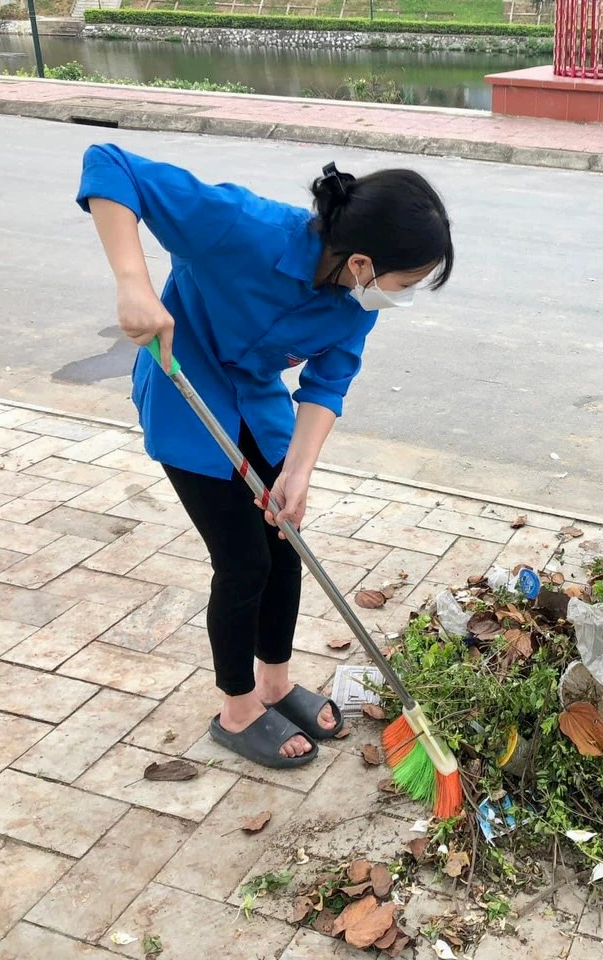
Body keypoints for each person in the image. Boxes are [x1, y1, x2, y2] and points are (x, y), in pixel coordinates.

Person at [77, 145, 453, 768]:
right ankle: (238, 708)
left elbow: (328, 384)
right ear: (361, 261)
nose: (403, 297)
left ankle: (275, 683)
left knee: (285, 541)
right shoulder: (243, 226)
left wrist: (299, 472)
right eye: (405, 283)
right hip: (187, 394)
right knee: (244, 561)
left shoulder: (351, 306)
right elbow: (110, 164)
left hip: (257, 403)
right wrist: (134, 283)